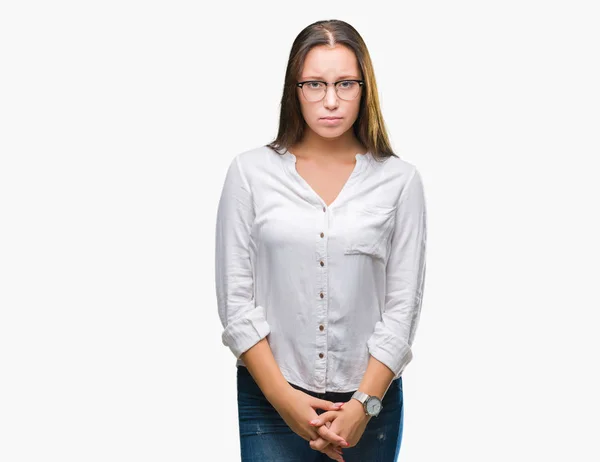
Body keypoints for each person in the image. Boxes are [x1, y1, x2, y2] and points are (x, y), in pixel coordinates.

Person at [215, 19, 427, 462]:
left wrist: (362, 407)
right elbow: (236, 302)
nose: (331, 100)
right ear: (295, 89)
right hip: (270, 401)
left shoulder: (400, 181)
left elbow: (402, 307)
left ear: (364, 88)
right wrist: (284, 399)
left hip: (370, 404)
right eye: (315, 84)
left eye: (345, 83)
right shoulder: (249, 174)